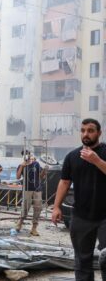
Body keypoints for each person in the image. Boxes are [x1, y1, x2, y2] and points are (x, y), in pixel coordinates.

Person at [52, 118, 106, 280]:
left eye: (90, 130)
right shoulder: (72, 156)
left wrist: (96, 160)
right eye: (83, 130)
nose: (86, 134)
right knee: (82, 260)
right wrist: (56, 207)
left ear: (99, 133)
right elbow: (64, 182)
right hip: (81, 216)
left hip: (105, 216)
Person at [15, 154, 46, 236]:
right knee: (25, 206)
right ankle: (20, 223)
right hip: (27, 189)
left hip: (37, 189)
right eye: (30, 158)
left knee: (38, 208)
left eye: (33, 158)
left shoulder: (37, 164)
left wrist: (45, 170)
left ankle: (34, 228)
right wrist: (22, 166)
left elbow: (41, 177)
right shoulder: (22, 165)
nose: (31, 160)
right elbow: (17, 177)